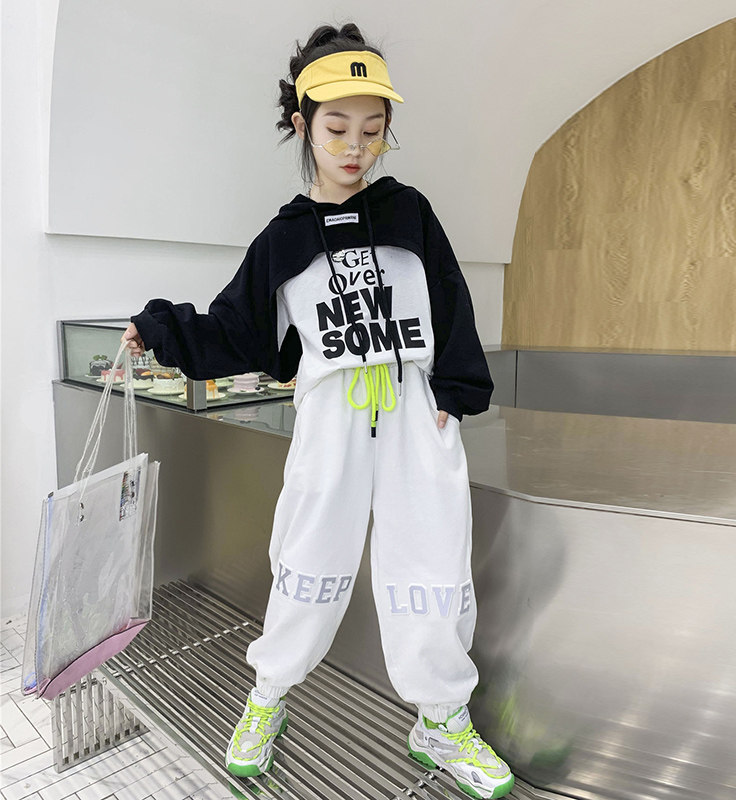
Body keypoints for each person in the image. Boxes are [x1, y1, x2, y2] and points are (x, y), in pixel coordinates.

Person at [122, 22, 514, 800]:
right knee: (308, 560)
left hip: (414, 414)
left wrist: (455, 392)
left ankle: (440, 720)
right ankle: (267, 698)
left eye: (373, 128)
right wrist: (161, 330)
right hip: (331, 418)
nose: (355, 146)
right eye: (336, 127)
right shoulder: (284, 238)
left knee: (432, 565)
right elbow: (236, 329)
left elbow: (451, 302)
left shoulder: (409, 213)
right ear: (302, 125)